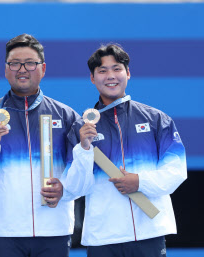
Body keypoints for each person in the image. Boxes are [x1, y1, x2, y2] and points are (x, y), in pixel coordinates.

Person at [0, 34, 96, 257]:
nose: (22, 69)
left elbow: (83, 180)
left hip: (54, 229)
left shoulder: (66, 116)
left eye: (30, 63)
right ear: (6, 69)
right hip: (3, 232)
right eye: (14, 63)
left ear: (43, 68)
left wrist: (65, 189)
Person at [66, 44, 187, 257]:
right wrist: (84, 148)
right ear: (92, 78)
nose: (110, 76)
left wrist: (140, 182)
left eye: (117, 69)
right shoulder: (80, 128)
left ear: (128, 73)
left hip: (150, 232)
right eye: (102, 71)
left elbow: (177, 171)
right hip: (103, 237)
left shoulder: (157, 120)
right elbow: (76, 187)